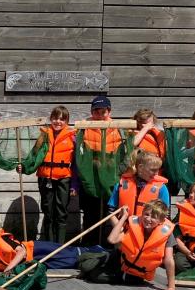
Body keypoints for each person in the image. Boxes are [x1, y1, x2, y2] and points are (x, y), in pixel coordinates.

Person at [83, 203, 180, 290]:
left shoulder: (167, 235)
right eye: (146, 214)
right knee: (85, 266)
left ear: (161, 221)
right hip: (118, 259)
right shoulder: (133, 225)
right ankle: (90, 257)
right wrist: (124, 217)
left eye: (153, 217)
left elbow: (169, 260)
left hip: (135, 275)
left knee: (94, 276)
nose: (148, 219)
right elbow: (111, 239)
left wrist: (171, 287)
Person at [78, 95, 120, 246]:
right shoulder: (84, 127)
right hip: (91, 177)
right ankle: (89, 246)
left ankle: (107, 245)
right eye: (96, 111)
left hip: (109, 178)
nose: (100, 115)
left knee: (109, 212)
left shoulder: (118, 128)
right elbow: (79, 152)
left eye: (103, 112)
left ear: (109, 111)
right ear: (92, 112)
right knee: (90, 214)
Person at [0, 224, 81, 273]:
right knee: (69, 263)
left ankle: (90, 250)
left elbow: (21, 251)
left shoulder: (0, 239)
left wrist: (8, 269)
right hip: (31, 263)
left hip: (35, 250)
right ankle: (85, 261)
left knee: (68, 252)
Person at [36, 105, 76, 244]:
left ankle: (60, 246)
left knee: (61, 212)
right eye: (55, 118)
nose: (58, 121)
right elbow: (34, 156)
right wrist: (24, 167)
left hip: (63, 179)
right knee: (48, 212)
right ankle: (49, 245)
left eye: (62, 119)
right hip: (45, 178)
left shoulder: (73, 137)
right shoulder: (43, 135)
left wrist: (75, 185)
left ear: (67, 121)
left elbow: (77, 163)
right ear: (51, 119)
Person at [108, 151, 170, 216]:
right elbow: (111, 211)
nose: (156, 173)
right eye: (153, 170)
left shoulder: (161, 188)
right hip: (122, 222)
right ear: (140, 168)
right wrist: (119, 223)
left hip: (148, 222)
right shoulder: (121, 184)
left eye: (158, 170)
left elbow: (165, 215)